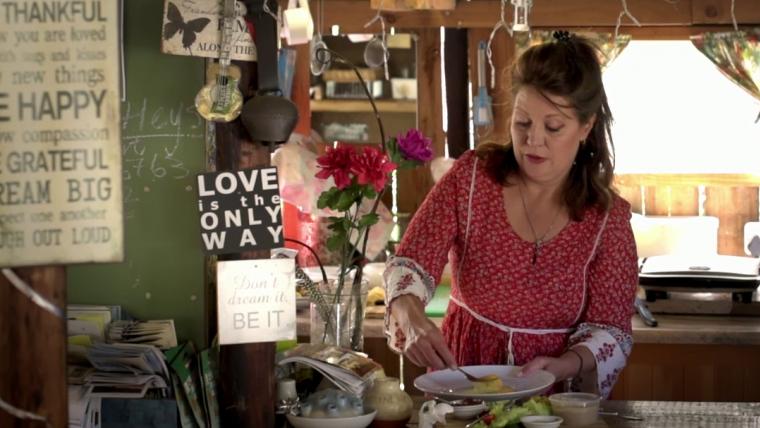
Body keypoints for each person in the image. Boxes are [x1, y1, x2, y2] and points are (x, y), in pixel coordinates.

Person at [382, 30, 638, 398]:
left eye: (553, 127)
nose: (533, 139)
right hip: (462, 382)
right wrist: (407, 311)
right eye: (522, 123)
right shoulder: (472, 178)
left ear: (586, 127)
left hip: (551, 397)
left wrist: (565, 364)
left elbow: (610, 330)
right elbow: (411, 262)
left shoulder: (606, 221)